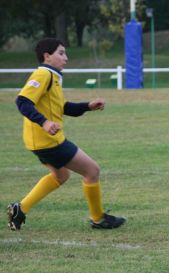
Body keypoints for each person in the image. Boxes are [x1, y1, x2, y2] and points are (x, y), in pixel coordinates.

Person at [7, 38, 125, 231]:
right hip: (48, 141)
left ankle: (20, 209)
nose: (66, 58)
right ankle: (98, 218)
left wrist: (88, 106)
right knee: (92, 170)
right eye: (61, 53)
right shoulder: (43, 74)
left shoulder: (53, 77)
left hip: (41, 141)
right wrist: (44, 123)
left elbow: (63, 108)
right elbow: (22, 102)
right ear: (47, 56)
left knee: (60, 175)